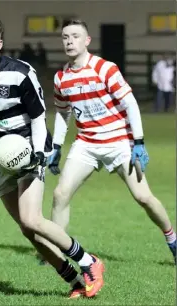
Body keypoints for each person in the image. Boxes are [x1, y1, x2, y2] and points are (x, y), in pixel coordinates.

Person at [0, 14, 105, 299]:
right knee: (27, 230)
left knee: (32, 219)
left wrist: (41, 154)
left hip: (25, 154)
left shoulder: (20, 73)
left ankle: (89, 262)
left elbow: (39, 117)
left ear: (0, 44)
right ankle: (74, 281)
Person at [48, 19, 176, 263]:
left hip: (120, 142)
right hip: (86, 144)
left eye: (75, 36)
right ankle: (56, 248)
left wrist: (138, 142)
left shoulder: (105, 68)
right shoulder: (61, 78)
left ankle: (172, 238)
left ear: (87, 41)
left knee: (143, 197)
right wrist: (56, 145)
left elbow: (130, 103)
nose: (69, 41)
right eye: (65, 37)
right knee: (60, 194)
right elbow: (63, 113)